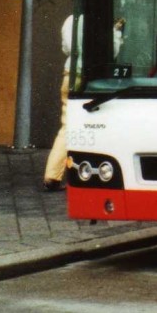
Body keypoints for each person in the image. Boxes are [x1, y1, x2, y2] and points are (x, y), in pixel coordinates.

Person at [43, 15, 123, 191]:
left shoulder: (70, 20)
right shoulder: (102, 22)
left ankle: (53, 174)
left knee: (68, 125)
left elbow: (66, 48)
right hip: (89, 78)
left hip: (69, 74)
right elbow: (113, 51)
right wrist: (116, 33)